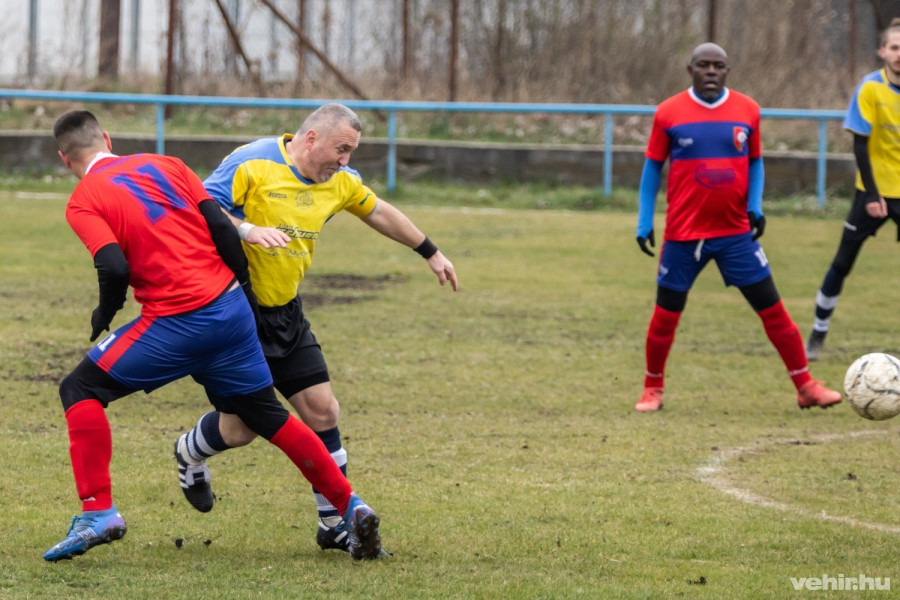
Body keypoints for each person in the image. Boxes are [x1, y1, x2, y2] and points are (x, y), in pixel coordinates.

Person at [44, 110, 384, 562]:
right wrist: (239, 290)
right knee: (269, 417)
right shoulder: (168, 164)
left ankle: (97, 511)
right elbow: (222, 227)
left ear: (64, 159)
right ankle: (350, 505)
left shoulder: (83, 199)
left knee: (80, 388)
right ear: (107, 138)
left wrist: (104, 312)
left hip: (177, 321)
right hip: (232, 311)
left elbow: (113, 266)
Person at [172, 103, 458, 552]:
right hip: (233, 314)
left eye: (351, 152)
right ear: (311, 138)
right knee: (241, 430)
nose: (345, 161)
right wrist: (246, 230)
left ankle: (333, 525)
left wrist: (430, 251)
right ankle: (190, 451)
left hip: (285, 313)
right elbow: (197, 209)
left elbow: (378, 211)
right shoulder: (253, 162)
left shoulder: (339, 183)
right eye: (341, 149)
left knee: (323, 411)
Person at [633, 43, 842, 413]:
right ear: (690, 70)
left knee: (773, 310)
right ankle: (653, 389)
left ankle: (806, 386)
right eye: (703, 65)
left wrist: (755, 206)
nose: (711, 71)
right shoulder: (668, 112)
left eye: (718, 66)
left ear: (727, 71)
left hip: (734, 235)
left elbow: (756, 162)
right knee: (665, 315)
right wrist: (645, 220)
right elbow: (652, 168)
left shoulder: (748, 110)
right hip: (684, 236)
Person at [805, 18, 900, 361]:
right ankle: (818, 333)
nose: (899, 54)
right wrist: (874, 196)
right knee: (842, 263)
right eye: (894, 47)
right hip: (872, 191)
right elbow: (860, 146)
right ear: (882, 51)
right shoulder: (870, 88)